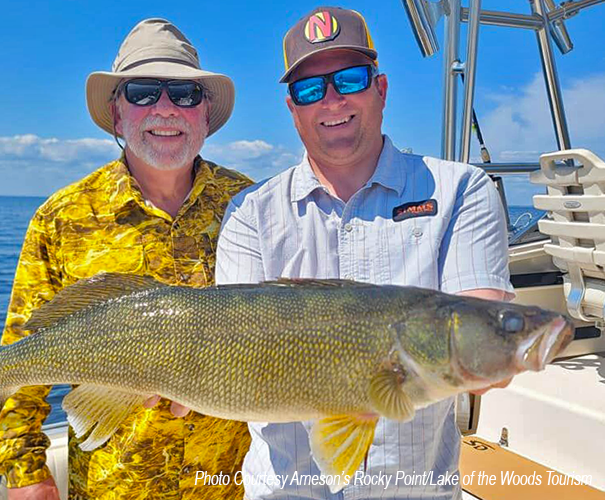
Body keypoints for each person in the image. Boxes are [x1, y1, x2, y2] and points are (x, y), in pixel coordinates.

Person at [215, 7, 514, 500]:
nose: (331, 99)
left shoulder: (462, 189)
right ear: (292, 109)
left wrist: (498, 344)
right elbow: (237, 355)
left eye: (349, 79)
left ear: (380, 88)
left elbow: (480, 356)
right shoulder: (249, 213)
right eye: (309, 90)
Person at [0, 18, 253, 500]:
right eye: (144, 91)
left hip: (232, 486)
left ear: (206, 113)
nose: (165, 108)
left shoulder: (253, 207)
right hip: (112, 488)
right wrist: (27, 475)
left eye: (185, 94)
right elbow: (21, 356)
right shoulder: (61, 217)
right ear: (117, 113)